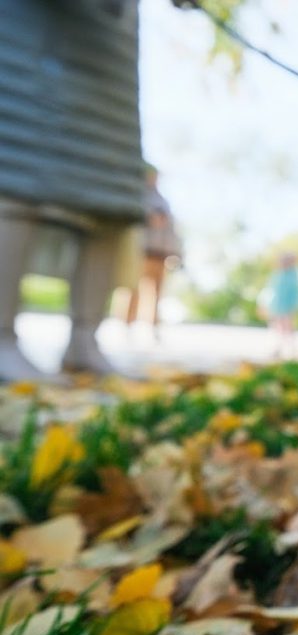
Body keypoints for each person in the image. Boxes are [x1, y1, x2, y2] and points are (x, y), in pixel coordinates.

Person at [0, 0, 145, 381]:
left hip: (111, 47)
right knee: (17, 171)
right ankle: (1, 338)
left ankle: (85, 341)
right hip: (35, 33)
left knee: (111, 193)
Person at [125, 165, 182, 332]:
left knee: (157, 292)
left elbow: (172, 230)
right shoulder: (139, 197)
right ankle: (127, 323)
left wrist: (175, 253)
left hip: (160, 254)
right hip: (142, 251)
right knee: (133, 289)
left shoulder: (164, 202)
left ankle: (154, 326)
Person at [267, 252, 298, 359]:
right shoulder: (278, 274)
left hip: (288, 307)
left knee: (288, 328)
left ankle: (293, 350)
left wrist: (293, 308)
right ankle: (278, 349)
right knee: (278, 328)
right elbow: (272, 291)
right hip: (277, 306)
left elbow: (296, 293)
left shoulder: (293, 276)